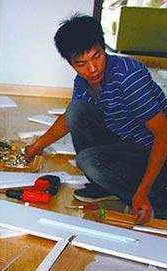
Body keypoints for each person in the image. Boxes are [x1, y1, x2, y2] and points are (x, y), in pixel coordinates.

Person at [25, 15, 167, 223]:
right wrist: (36, 146)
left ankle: (156, 201)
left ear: (103, 47)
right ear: (71, 63)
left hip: (156, 155)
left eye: (97, 57)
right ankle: (105, 185)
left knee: (88, 161)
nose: (92, 69)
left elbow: (163, 135)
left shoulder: (128, 76)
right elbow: (68, 119)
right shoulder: (83, 82)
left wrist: (142, 192)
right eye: (81, 63)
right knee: (77, 110)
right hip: (128, 145)